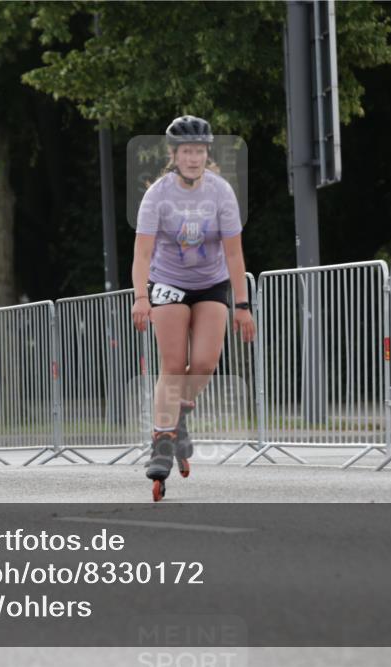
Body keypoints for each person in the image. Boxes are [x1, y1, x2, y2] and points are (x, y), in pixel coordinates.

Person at [131, 115, 255, 501]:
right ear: (173, 155)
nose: (193, 158)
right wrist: (140, 297)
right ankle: (161, 442)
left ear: (207, 154)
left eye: (199, 151)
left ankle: (180, 415)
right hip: (168, 282)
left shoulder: (220, 192)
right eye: (186, 151)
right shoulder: (157, 195)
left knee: (203, 363)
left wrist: (242, 304)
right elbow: (143, 252)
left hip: (212, 282)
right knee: (172, 364)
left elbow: (234, 252)